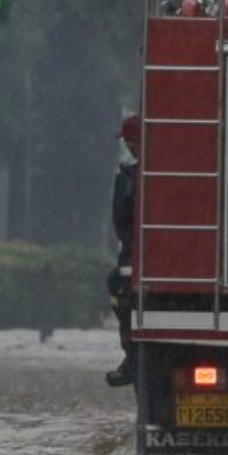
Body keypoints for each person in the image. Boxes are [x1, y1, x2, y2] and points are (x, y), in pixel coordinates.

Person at [105, 114, 141, 387]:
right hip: (143, 258)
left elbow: (120, 222)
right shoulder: (176, 168)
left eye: (130, 140)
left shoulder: (129, 177)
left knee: (118, 286)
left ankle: (132, 356)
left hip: (135, 258)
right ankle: (132, 356)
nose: (128, 145)